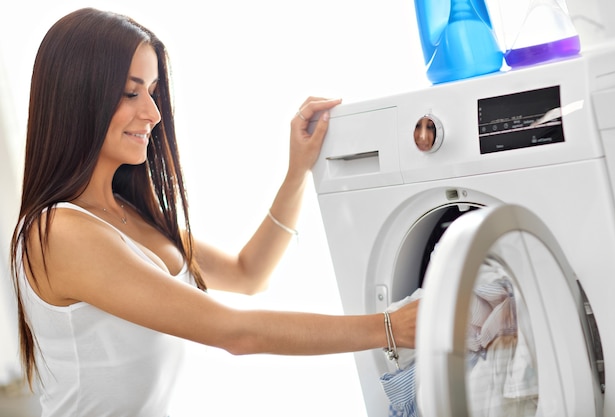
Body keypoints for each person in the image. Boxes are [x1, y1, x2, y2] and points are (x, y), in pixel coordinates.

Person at [9, 7, 419, 416]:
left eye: (153, 90)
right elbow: (235, 332)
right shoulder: (59, 233)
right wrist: (389, 327)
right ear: (79, 95)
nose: (152, 112)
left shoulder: (128, 215)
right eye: (131, 92)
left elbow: (248, 273)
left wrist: (297, 173)